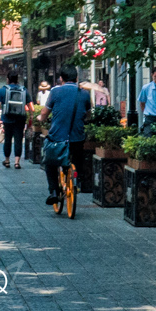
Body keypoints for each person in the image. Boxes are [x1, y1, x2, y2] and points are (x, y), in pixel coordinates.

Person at [42, 68, 92, 208]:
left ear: (61, 79)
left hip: (58, 137)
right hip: (77, 137)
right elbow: (88, 114)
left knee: (50, 161)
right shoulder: (84, 94)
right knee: (77, 157)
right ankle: (78, 178)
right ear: (76, 79)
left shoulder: (55, 91)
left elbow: (45, 112)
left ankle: (53, 191)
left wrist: (41, 118)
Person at [0, 70, 29, 169]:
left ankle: (7, 160)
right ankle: (17, 162)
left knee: (8, 139)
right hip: (20, 118)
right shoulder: (23, 90)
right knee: (18, 140)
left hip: (7, 118)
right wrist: (31, 115)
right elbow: (30, 104)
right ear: (17, 79)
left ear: (8, 79)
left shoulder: (3, 90)